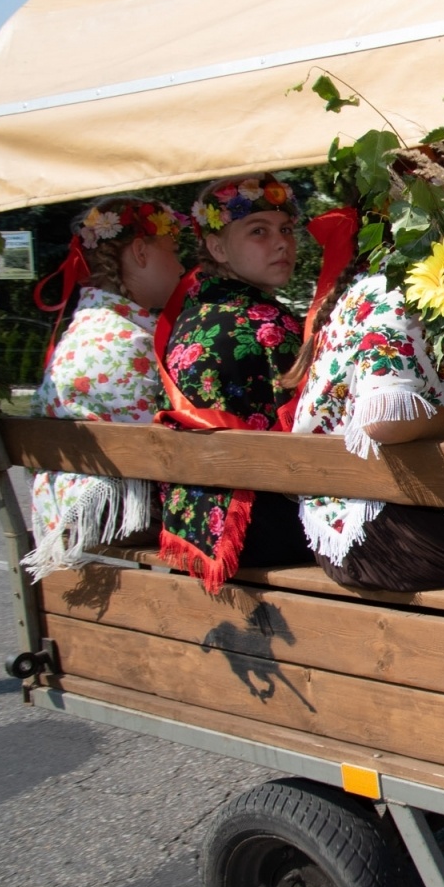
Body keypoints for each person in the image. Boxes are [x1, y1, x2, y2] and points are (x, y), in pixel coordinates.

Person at [286, 218, 444, 592]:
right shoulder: (398, 294)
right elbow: (384, 419)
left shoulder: (365, 290)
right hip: (379, 534)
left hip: (348, 526)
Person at [156, 174, 308, 593]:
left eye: (286, 230)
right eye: (258, 231)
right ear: (217, 247)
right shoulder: (267, 322)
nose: (281, 243)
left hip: (189, 522)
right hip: (257, 528)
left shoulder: (191, 312)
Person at [23, 197, 187, 578]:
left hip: (63, 509)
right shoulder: (129, 338)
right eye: (174, 251)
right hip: (113, 512)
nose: (181, 266)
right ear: (141, 252)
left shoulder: (82, 329)